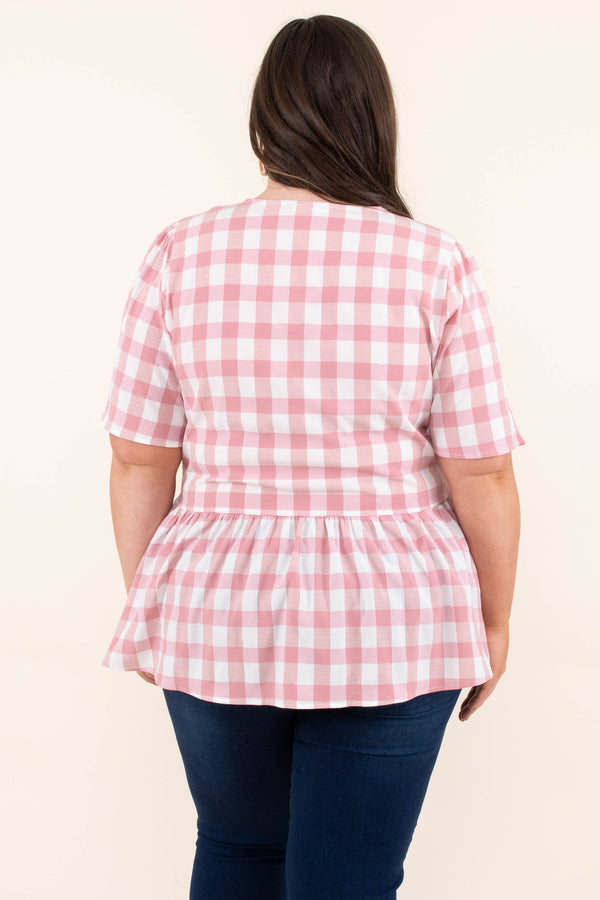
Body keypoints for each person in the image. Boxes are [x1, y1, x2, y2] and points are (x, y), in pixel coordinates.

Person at [100, 14, 525, 900]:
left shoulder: (181, 252)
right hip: (397, 609)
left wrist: (152, 599)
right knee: (350, 880)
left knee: (236, 847)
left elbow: (140, 457)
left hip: (212, 596)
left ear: (265, 122)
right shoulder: (433, 262)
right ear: (374, 119)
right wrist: (494, 618)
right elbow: (480, 468)